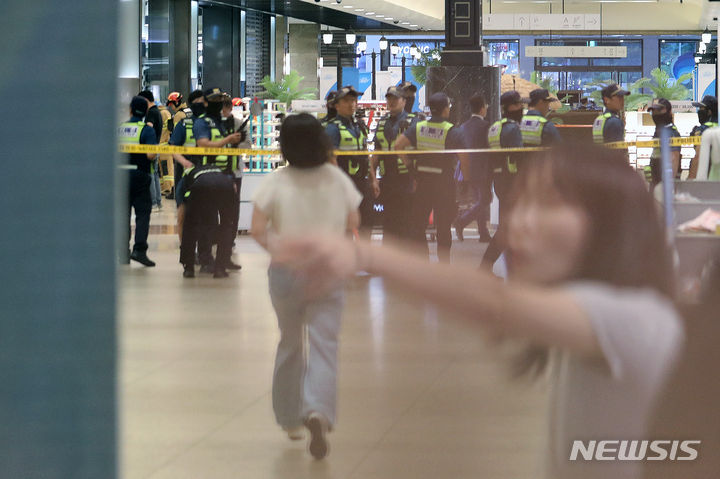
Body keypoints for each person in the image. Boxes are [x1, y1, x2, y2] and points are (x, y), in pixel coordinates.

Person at [272, 144, 684, 479]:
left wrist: (364, 253)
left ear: (612, 223)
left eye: (550, 204)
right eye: (520, 203)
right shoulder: (590, 326)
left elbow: (493, 303)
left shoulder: (639, 319)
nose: (520, 222)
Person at [250, 113, 362, 460]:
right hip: (327, 271)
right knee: (324, 344)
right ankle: (318, 410)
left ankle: (289, 419)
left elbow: (257, 230)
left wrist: (281, 251)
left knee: (289, 342)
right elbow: (353, 223)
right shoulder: (336, 179)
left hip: (285, 272)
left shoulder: (276, 180)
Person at [393, 92, 465, 262]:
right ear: (446, 109)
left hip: (423, 182)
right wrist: (466, 180)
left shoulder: (418, 127)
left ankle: (423, 263)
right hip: (444, 184)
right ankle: (443, 266)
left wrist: (411, 168)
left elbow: (398, 146)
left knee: (418, 225)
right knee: (443, 226)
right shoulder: (451, 130)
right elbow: (465, 157)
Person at [181, 88, 243, 278]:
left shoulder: (223, 123)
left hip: (224, 176)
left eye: (222, 100)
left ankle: (221, 264)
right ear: (206, 103)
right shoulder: (201, 122)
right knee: (197, 222)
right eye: (216, 100)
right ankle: (191, 264)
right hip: (202, 176)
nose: (220, 104)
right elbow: (203, 144)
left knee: (226, 223)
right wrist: (228, 140)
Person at [325, 86, 377, 238]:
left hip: (362, 182)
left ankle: (366, 259)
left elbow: (366, 153)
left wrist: (373, 179)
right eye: (346, 101)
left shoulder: (358, 126)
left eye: (354, 100)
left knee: (367, 224)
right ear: (337, 105)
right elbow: (331, 159)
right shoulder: (332, 128)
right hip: (344, 184)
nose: (351, 104)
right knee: (345, 227)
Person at [481, 91, 525, 269]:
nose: (521, 108)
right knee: (510, 226)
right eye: (518, 104)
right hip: (513, 180)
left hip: (499, 180)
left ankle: (489, 266)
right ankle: (486, 266)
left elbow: (489, 158)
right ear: (510, 107)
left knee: (509, 225)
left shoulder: (494, 127)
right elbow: (519, 156)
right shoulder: (513, 129)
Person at [371, 86, 416, 243]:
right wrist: (373, 178)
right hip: (387, 180)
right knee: (388, 222)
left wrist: (416, 177)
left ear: (404, 101)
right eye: (389, 98)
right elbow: (376, 153)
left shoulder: (413, 121)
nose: (391, 102)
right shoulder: (382, 123)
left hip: (406, 180)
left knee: (407, 221)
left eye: (395, 99)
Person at [118, 96, 158, 267]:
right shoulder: (147, 130)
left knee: (123, 216)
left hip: (120, 176)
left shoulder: (120, 129)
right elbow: (150, 155)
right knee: (142, 215)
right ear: (145, 112)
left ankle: (123, 254)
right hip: (140, 176)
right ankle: (139, 250)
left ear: (130, 110)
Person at [454, 92, 492, 242]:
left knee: (480, 199)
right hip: (482, 169)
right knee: (485, 199)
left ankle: (483, 233)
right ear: (482, 108)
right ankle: (461, 221)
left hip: (465, 169)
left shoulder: (463, 126)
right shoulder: (486, 126)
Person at [169, 89, 204, 246]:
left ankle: (205, 253)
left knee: (206, 216)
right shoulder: (184, 123)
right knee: (182, 215)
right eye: (197, 103)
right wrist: (183, 161)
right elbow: (173, 147)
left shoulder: (211, 123)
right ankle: (186, 248)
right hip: (186, 175)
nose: (201, 106)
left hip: (206, 176)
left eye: (203, 103)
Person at [222, 94, 251, 270]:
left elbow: (247, 145)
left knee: (232, 209)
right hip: (215, 173)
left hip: (235, 172)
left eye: (224, 108)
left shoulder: (239, 124)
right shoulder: (212, 124)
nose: (222, 112)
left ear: (230, 108)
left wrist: (232, 145)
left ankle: (230, 239)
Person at [647, 98, 681, 190]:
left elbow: (674, 158)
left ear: (668, 111)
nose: (655, 113)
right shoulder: (660, 131)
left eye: (659, 110)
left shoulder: (669, 132)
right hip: (657, 184)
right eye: (653, 110)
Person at [138, 90, 164, 210]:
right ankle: (158, 202)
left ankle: (153, 202)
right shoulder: (157, 111)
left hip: (150, 147)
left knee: (150, 175)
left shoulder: (151, 113)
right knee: (155, 174)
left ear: (145, 100)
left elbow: (149, 128)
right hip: (156, 146)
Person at [689, 95, 718, 179]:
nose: (699, 111)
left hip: (705, 176)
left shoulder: (704, 130)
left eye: (701, 109)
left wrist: (690, 181)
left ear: (709, 112)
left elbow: (698, 156)